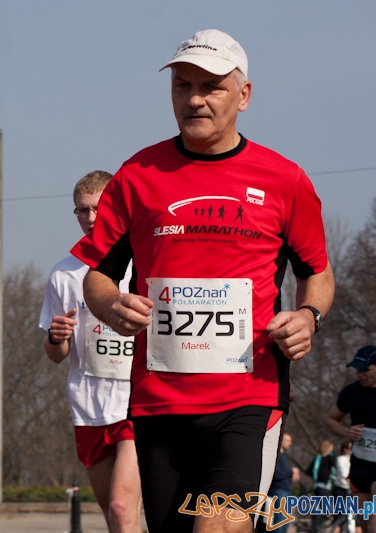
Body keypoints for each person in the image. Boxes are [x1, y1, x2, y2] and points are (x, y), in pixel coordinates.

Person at [70, 29, 335, 533]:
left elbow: (317, 273)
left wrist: (308, 316)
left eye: (210, 87)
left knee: (216, 526)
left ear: (244, 95)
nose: (193, 99)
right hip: (158, 399)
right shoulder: (138, 176)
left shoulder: (284, 180)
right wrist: (109, 306)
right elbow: (97, 275)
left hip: (248, 398)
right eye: (182, 85)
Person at [39, 171, 141, 533]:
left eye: (98, 208)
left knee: (121, 507)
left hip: (137, 402)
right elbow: (56, 355)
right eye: (82, 211)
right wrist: (56, 336)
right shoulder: (63, 274)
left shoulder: (142, 260)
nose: (91, 219)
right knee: (113, 516)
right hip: (89, 406)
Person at [326, 345, 376, 533]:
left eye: (365, 369)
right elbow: (331, 420)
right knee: (365, 523)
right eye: (357, 369)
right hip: (360, 466)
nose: (360, 374)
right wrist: (346, 432)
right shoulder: (351, 392)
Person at [260, 433, 298, 533]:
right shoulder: (275, 456)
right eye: (288, 441)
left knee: (287, 518)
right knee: (280, 518)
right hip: (279, 489)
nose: (290, 443)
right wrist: (291, 471)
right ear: (281, 441)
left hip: (287, 490)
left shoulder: (284, 456)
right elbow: (276, 474)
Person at [306, 439, 336, 533]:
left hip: (317, 486)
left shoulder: (318, 458)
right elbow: (336, 468)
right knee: (323, 509)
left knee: (319, 508)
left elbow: (308, 470)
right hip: (324, 486)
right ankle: (314, 529)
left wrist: (317, 477)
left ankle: (314, 528)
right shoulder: (329, 458)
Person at [331, 440, 352, 533]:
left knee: (353, 518)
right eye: (350, 448)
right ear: (345, 449)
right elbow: (344, 474)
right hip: (341, 490)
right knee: (340, 516)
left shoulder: (354, 460)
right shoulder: (341, 459)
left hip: (352, 491)